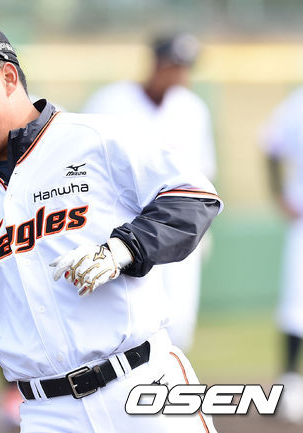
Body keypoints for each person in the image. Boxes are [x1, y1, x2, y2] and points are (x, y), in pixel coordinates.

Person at [0, 22, 222, 433]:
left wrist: (124, 249)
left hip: (141, 387)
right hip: (47, 413)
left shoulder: (94, 138)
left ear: (8, 78)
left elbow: (194, 198)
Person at [83, 33, 217, 352]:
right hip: (123, 225)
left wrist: (205, 228)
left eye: (186, 67)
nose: (182, 74)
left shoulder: (192, 109)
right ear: (157, 63)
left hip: (174, 226)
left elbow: (202, 173)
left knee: (180, 322)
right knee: (126, 319)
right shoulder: (110, 101)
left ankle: (166, 382)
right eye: (176, 65)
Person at [262, 87, 303, 424]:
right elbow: (270, 145)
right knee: (297, 304)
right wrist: (279, 195)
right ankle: (290, 381)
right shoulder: (297, 104)